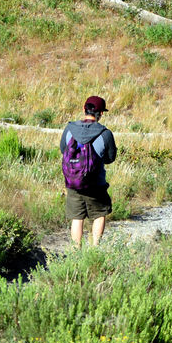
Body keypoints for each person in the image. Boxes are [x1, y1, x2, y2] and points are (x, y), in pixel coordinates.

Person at [60, 95, 117, 246]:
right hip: (95, 183)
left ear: (84, 109)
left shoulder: (69, 129)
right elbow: (110, 158)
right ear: (101, 113)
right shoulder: (105, 133)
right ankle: (95, 248)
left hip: (73, 182)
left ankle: (76, 251)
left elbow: (63, 150)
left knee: (77, 218)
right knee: (99, 214)